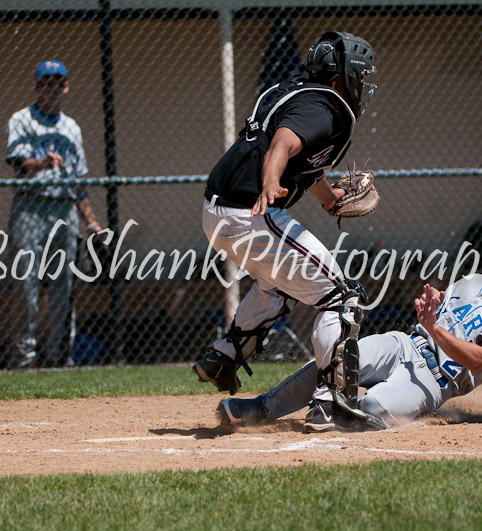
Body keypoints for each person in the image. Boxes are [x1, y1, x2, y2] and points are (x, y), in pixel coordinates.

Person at [192, 31, 381, 432]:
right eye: (360, 75)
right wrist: (270, 180)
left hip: (217, 212)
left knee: (277, 287)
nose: (362, 84)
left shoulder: (296, 92)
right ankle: (329, 402)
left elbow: (306, 169)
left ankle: (223, 357)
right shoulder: (325, 107)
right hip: (251, 211)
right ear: (342, 77)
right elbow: (283, 144)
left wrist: (331, 198)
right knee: (341, 297)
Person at [215, 223, 482, 432]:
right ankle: (261, 408)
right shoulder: (476, 280)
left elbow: (478, 359)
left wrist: (436, 329)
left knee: (367, 412)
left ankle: (360, 406)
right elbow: (443, 311)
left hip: (434, 380)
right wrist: (436, 302)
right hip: (404, 344)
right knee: (337, 359)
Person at [6, 60, 102, 368]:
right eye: (45, 82)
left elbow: (78, 182)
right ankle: (24, 359)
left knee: (65, 287)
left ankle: (60, 357)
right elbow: (18, 162)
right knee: (26, 285)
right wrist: (42, 163)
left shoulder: (71, 128)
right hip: (30, 206)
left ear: (66, 87)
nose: (52, 88)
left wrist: (92, 222)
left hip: (64, 207)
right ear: (37, 86)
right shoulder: (22, 120)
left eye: (57, 82)